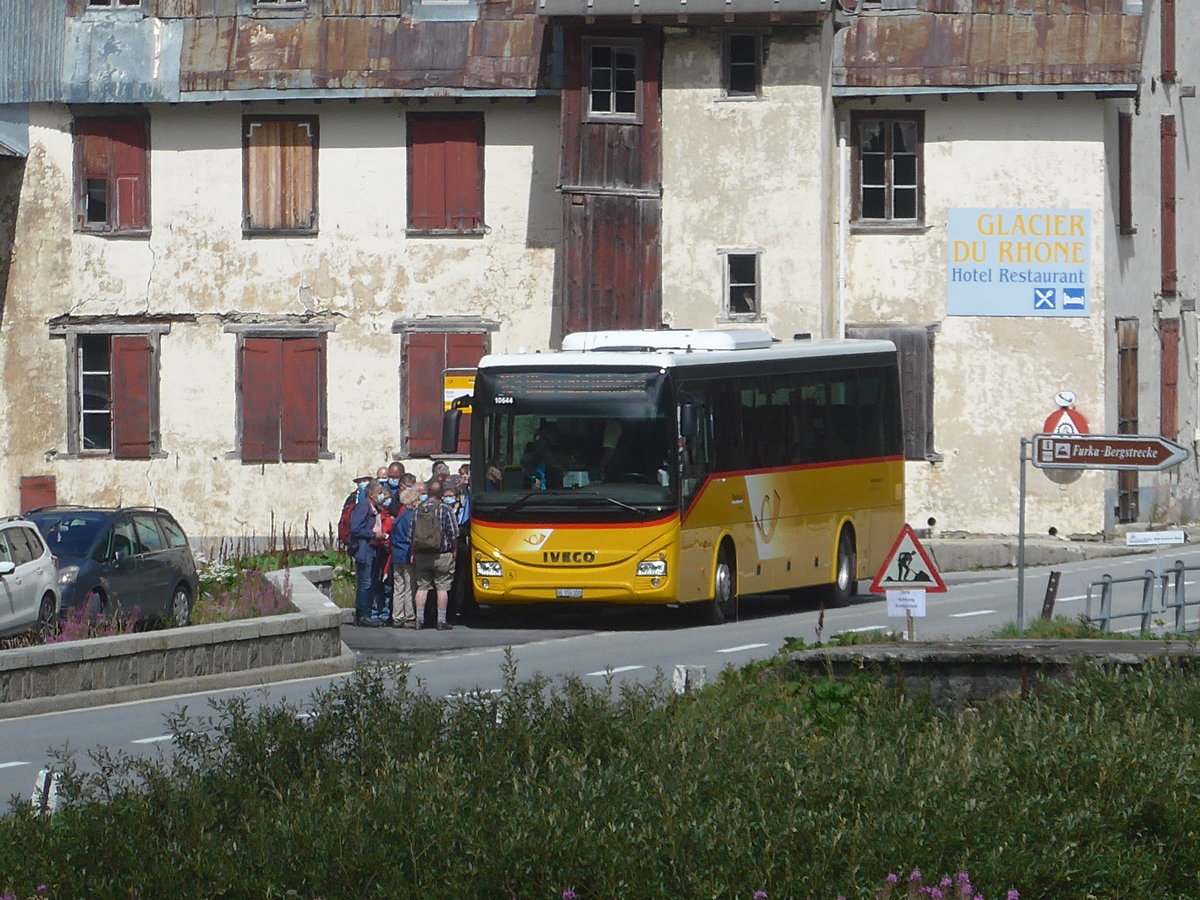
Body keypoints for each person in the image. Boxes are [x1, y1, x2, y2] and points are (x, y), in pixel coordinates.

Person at [412, 479, 460, 630]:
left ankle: (419, 620)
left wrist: (414, 552)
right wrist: (454, 550)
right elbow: (454, 533)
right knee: (442, 587)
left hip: (421, 555)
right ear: (440, 494)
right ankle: (441, 620)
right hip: (442, 555)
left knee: (422, 588)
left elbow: (411, 535)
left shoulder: (417, 510)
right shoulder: (445, 509)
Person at [348, 480, 389, 627]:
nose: (382, 496)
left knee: (371, 582)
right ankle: (362, 616)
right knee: (365, 583)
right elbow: (355, 528)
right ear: (371, 494)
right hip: (364, 549)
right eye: (379, 493)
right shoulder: (363, 507)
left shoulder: (375, 508)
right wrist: (373, 535)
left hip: (373, 549)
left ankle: (366, 614)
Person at [389, 487, 420, 628]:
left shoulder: (398, 517)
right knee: (409, 586)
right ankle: (409, 616)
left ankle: (397, 616)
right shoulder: (412, 516)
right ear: (413, 501)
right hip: (407, 553)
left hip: (396, 553)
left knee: (398, 587)